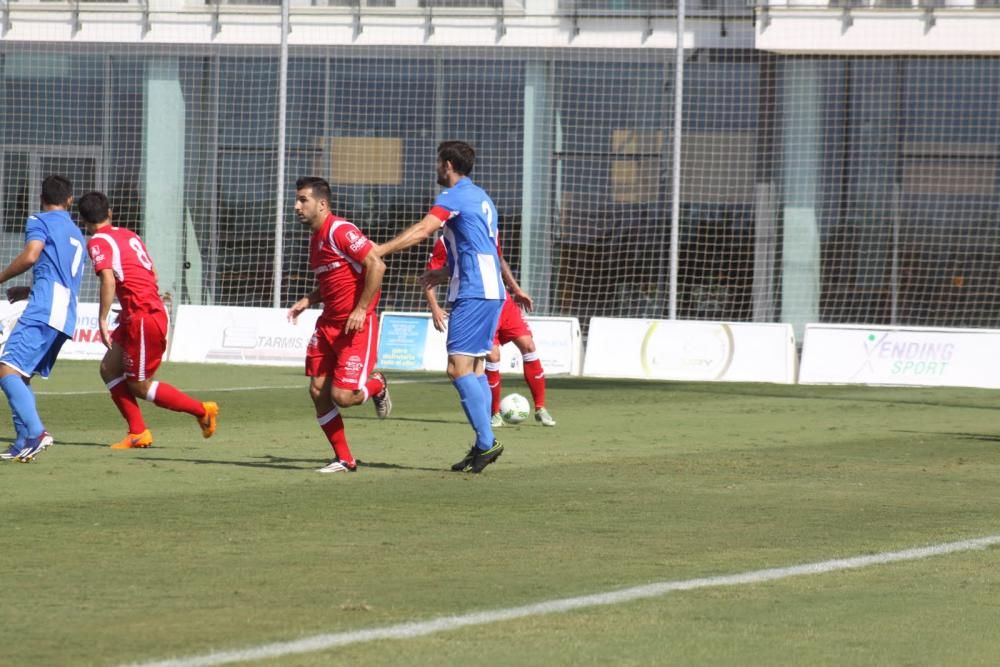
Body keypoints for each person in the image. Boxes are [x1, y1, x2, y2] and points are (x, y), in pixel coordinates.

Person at [376, 141, 505, 473]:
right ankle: (482, 445)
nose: (436, 168)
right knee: (474, 369)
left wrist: (381, 250)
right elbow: (482, 248)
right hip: (490, 289)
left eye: (438, 163)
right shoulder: (482, 196)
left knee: (457, 369)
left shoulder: (453, 196)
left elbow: (422, 230)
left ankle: (488, 442)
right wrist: (446, 271)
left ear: (447, 165)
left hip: (475, 291)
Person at [78, 191, 218, 449]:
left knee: (140, 386)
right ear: (109, 213)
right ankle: (138, 432)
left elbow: (108, 279)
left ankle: (202, 410)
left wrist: (103, 319)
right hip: (139, 312)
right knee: (109, 368)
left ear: (82, 220)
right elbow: (151, 273)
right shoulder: (130, 235)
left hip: (144, 316)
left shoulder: (98, 241)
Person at [286, 176, 390, 474]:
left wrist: (360, 309)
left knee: (343, 397)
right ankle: (344, 458)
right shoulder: (315, 240)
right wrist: (309, 298)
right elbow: (333, 281)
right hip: (328, 324)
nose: (297, 206)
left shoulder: (340, 230)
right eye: (297, 200)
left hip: (356, 326)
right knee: (318, 390)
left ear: (322, 204)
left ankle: (377, 384)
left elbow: (376, 265)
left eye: (303, 200)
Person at [423, 236, 556, 429]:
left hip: (502, 300)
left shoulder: (488, 231)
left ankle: (540, 407)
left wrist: (516, 289)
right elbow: (431, 274)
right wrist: (434, 306)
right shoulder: (445, 240)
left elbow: (500, 260)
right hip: (475, 304)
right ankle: (494, 413)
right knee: (492, 357)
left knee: (529, 346)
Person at [0, 175, 86, 462]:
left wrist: (1, 277)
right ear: (69, 200)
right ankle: (23, 441)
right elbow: (62, 275)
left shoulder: (39, 220)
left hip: (45, 308)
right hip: (66, 312)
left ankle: (37, 432)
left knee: (6, 371)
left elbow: (31, 255)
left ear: (41, 198)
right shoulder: (75, 232)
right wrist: (28, 288)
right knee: (20, 374)